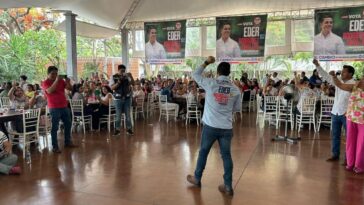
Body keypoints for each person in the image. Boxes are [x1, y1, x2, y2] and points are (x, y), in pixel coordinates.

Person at [187, 56, 241, 196]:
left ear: (217, 72)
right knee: (226, 156)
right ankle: (228, 186)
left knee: (203, 152)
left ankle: (197, 178)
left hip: (210, 126)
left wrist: (206, 62)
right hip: (226, 128)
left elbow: (195, 74)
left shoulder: (210, 83)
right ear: (229, 73)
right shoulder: (235, 90)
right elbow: (236, 109)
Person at [313, 59, 355, 162]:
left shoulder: (354, 84)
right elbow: (326, 76)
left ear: (350, 74)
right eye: (342, 71)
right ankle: (335, 154)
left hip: (347, 114)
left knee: (349, 137)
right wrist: (317, 65)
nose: (342, 72)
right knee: (335, 135)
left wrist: (335, 77)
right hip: (336, 112)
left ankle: (348, 158)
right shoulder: (338, 80)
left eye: (344, 71)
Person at [331, 75, 364, 174]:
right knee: (350, 141)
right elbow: (340, 85)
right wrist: (334, 77)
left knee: (361, 143)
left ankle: (359, 165)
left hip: (362, 120)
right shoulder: (354, 86)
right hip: (351, 117)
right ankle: (350, 164)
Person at [41, 66, 77, 153]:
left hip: (64, 106)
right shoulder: (45, 82)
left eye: (56, 74)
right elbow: (49, 91)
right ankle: (55, 146)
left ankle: (67, 142)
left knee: (68, 124)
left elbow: (70, 89)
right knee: (55, 127)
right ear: (48, 74)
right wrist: (57, 80)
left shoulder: (61, 81)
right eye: (52, 74)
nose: (55, 75)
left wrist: (68, 82)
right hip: (54, 107)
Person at [109, 64, 134, 136]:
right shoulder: (113, 77)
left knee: (128, 115)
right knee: (118, 115)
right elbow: (112, 88)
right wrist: (119, 82)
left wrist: (131, 76)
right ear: (118, 70)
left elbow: (133, 83)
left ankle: (129, 129)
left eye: (124, 71)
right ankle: (117, 130)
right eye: (121, 71)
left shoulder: (127, 76)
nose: (123, 72)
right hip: (118, 99)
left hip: (127, 98)